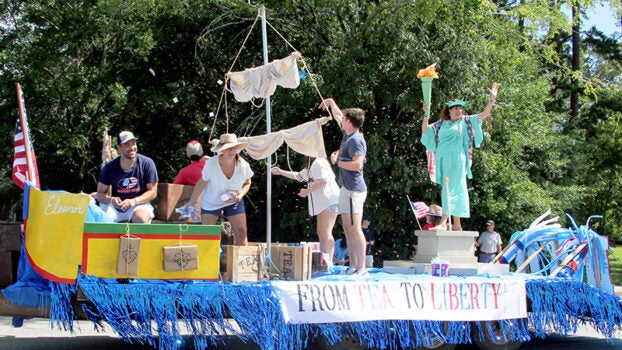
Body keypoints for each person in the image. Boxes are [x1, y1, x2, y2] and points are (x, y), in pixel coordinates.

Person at [421, 83, 499, 231]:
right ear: (449, 110)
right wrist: (425, 114)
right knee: (454, 188)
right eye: (455, 108)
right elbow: (426, 132)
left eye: (460, 108)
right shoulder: (441, 124)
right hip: (443, 160)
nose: (458, 110)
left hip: (457, 159)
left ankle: (443, 222)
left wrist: (492, 99)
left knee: (450, 189)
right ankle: (457, 224)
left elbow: (484, 115)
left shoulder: (466, 121)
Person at [319, 98, 368, 277]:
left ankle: (362, 268)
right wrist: (332, 103)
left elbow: (357, 165)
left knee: (355, 228)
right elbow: (338, 115)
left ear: (350, 122)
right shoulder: (348, 134)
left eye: (344, 118)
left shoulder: (355, 140)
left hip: (355, 190)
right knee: (347, 227)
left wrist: (337, 161)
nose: (341, 119)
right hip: (346, 188)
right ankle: (354, 265)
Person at [185, 134, 253, 246]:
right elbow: (202, 182)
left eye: (233, 148)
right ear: (222, 150)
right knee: (207, 235)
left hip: (234, 200)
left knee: (242, 232)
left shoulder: (243, 165)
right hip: (211, 202)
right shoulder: (211, 163)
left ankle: (243, 262)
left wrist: (240, 195)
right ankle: (207, 261)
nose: (231, 151)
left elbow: (247, 183)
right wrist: (191, 202)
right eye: (227, 149)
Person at [272, 156, 339, 266]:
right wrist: (280, 172)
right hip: (323, 203)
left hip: (329, 200)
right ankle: (323, 261)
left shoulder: (319, 161)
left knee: (326, 232)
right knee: (321, 231)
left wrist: (307, 191)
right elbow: (298, 176)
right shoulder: (311, 165)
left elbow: (324, 180)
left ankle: (329, 262)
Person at [96, 131, 159, 223]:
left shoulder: (147, 163)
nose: (132, 147)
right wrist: (112, 200)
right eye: (127, 144)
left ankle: (138, 237)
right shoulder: (109, 167)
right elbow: (100, 194)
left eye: (133, 143)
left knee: (141, 219)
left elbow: (153, 192)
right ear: (119, 148)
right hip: (114, 207)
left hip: (138, 204)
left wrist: (134, 201)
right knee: (101, 220)